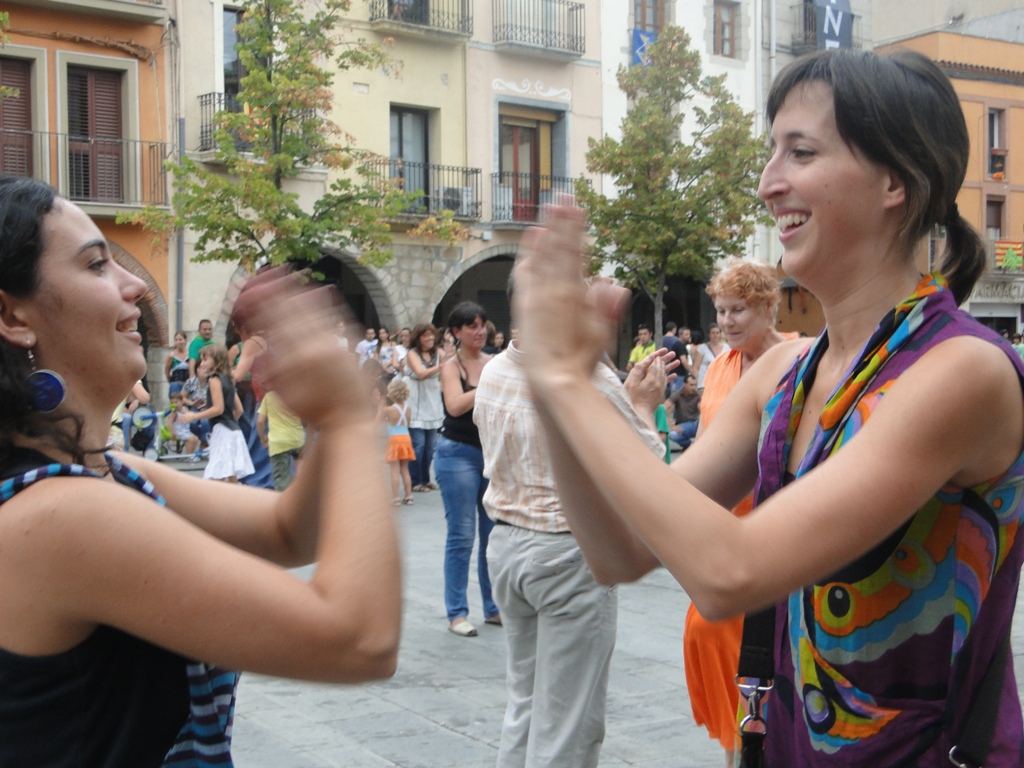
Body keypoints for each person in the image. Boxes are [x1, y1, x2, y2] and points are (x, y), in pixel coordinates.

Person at [512, 48, 1024, 766]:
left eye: (801, 151)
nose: (767, 182)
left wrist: (572, 384)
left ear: (895, 182)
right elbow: (617, 550)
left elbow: (732, 573)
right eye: (770, 152)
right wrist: (552, 392)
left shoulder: (960, 371)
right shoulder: (784, 371)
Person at [0, 175, 401, 766]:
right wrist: (344, 416)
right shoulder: (58, 515)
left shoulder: (105, 473)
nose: (134, 284)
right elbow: (360, 639)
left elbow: (289, 531)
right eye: (95, 266)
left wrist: (327, 412)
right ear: (13, 317)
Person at [475, 273, 666, 768]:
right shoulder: (590, 382)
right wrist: (642, 405)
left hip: (506, 546)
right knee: (569, 725)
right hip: (567, 552)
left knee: (526, 704)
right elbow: (643, 464)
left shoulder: (494, 370)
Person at [682, 259, 791, 765]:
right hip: (720, 521)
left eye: (739, 309)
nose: (727, 321)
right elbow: (709, 440)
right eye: (721, 310)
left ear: (768, 307)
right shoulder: (722, 364)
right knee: (708, 633)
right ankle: (735, 748)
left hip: (773, 521)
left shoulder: (796, 358)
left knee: (760, 652)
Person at [434, 301, 498, 636]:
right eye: (472, 325)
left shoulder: (494, 362)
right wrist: (489, 382)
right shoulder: (451, 366)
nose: (480, 331)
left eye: (482, 324)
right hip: (456, 454)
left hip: (490, 456)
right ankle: (457, 612)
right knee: (461, 536)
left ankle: (493, 607)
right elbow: (455, 405)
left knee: (493, 534)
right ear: (456, 332)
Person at [179, 344, 253, 484]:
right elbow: (239, 409)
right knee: (231, 475)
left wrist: (193, 416)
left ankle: (216, 504)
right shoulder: (228, 379)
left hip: (222, 429)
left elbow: (218, 408)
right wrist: (230, 422)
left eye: (205, 359)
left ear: (216, 360)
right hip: (234, 431)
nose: (202, 363)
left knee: (217, 476)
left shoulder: (214, 379)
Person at [406, 322, 446, 492]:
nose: (430, 338)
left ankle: (425, 479)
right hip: (416, 402)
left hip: (433, 402)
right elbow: (421, 373)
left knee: (430, 446)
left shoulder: (439, 353)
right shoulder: (412, 353)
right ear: (418, 337)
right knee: (418, 445)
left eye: (432, 334)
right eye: (425, 335)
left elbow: (447, 370)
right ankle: (415, 481)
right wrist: (442, 366)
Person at [256, 389, 305, 492]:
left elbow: (260, 421)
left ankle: (285, 503)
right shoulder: (296, 394)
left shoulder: (269, 397)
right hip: (297, 439)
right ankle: (302, 497)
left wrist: (262, 438)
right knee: (301, 474)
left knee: (282, 481)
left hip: (278, 442)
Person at [382, 378, 415, 506]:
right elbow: (409, 423)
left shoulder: (389, 410)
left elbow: (378, 421)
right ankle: (409, 496)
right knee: (405, 469)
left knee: (394, 470)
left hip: (394, 439)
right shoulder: (408, 409)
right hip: (406, 438)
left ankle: (395, 498)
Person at [691, 324, 728, 390]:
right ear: (709, 335)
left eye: (717, 333)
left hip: (722, 382)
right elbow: (695, 368)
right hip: (705, 383)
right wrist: (696, 382)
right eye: (713, 333)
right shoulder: (702, 348)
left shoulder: (727, 348)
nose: (715, 335)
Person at [165, 390, 200, 456]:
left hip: (186, 430)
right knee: (190, 440)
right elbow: (169, 422)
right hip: (179, 431)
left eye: (176, 402)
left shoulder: (185, 409)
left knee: (195, 439)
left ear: (182, 402)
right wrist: (172, 433)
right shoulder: (174, 412)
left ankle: (191, 454)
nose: (175, 404)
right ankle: (188, 456)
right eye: (172, 403)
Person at [164, 330, 191, 395]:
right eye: (176, 340)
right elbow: (167, 371)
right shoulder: (171, 356)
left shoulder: (190, 355)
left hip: (188, 384)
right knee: (175, 404)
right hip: (176, 383)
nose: (178, 342)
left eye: (180, 339)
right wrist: (170, 381)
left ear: (185, 340)